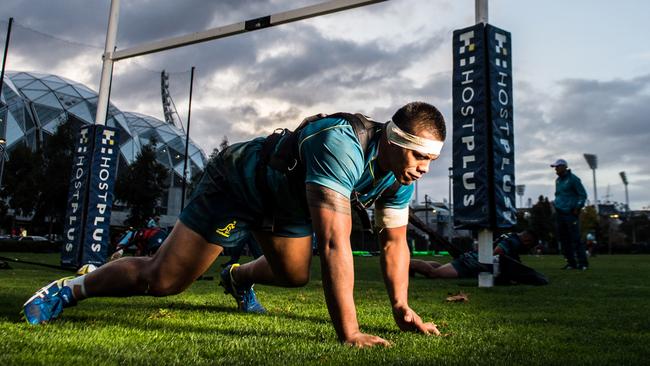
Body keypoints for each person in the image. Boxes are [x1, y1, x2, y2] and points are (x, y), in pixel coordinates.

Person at [23, 102, 445, 347]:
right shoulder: (342, 143)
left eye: (431, 161)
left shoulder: (399, 174)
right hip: (239, 185)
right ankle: (70, 289)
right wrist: (350, 332)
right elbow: (335, 243)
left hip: (286, 206)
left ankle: (238, 277)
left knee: (295, 275)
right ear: (393, 141)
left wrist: (402, 308)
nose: (424, 169)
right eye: (419, 157)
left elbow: (395, 244)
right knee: (164, 279)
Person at [409, 231, 545, 285]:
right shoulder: (513, 241)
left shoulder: (510, 235)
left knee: (439, 268)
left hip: (472, 260)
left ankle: (410, 265)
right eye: (530, 245)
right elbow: (497, 252)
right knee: (435, 274)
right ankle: (407, 264)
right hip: (472, 263)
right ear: (527, 241)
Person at [550, 159, 588, 270]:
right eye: (555, 167)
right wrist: (556, 204)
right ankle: (571, 263)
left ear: (564, 167)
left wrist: (578, 207)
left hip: (571, 213)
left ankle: (583, 263)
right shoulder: (557, 181)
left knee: (575, 238)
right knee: (564, 239)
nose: (555, 169)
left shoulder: (574, 179)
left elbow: (582, 195)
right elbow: (558, 195)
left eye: (557, 167)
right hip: (560, 213)